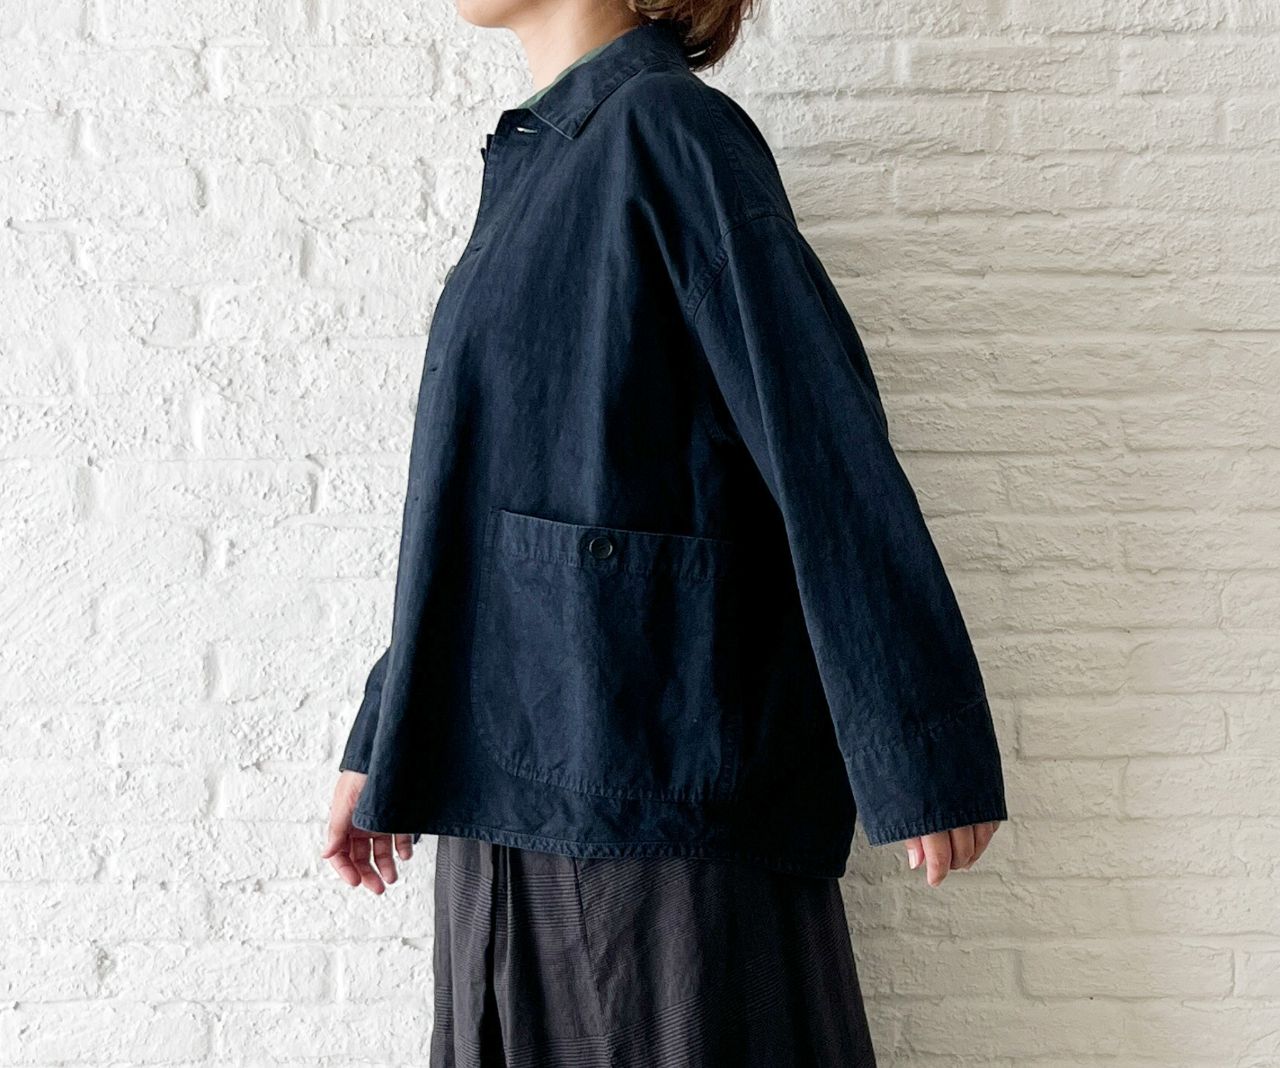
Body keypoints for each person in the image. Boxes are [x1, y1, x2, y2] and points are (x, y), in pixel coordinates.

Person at [322, 1, 1009, 1064]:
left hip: (649, 813)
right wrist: (387, 731)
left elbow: (817, 435)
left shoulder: (670, 133)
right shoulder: (537, 164)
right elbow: (477, 504)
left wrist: (919, 742)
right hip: (506, 800)